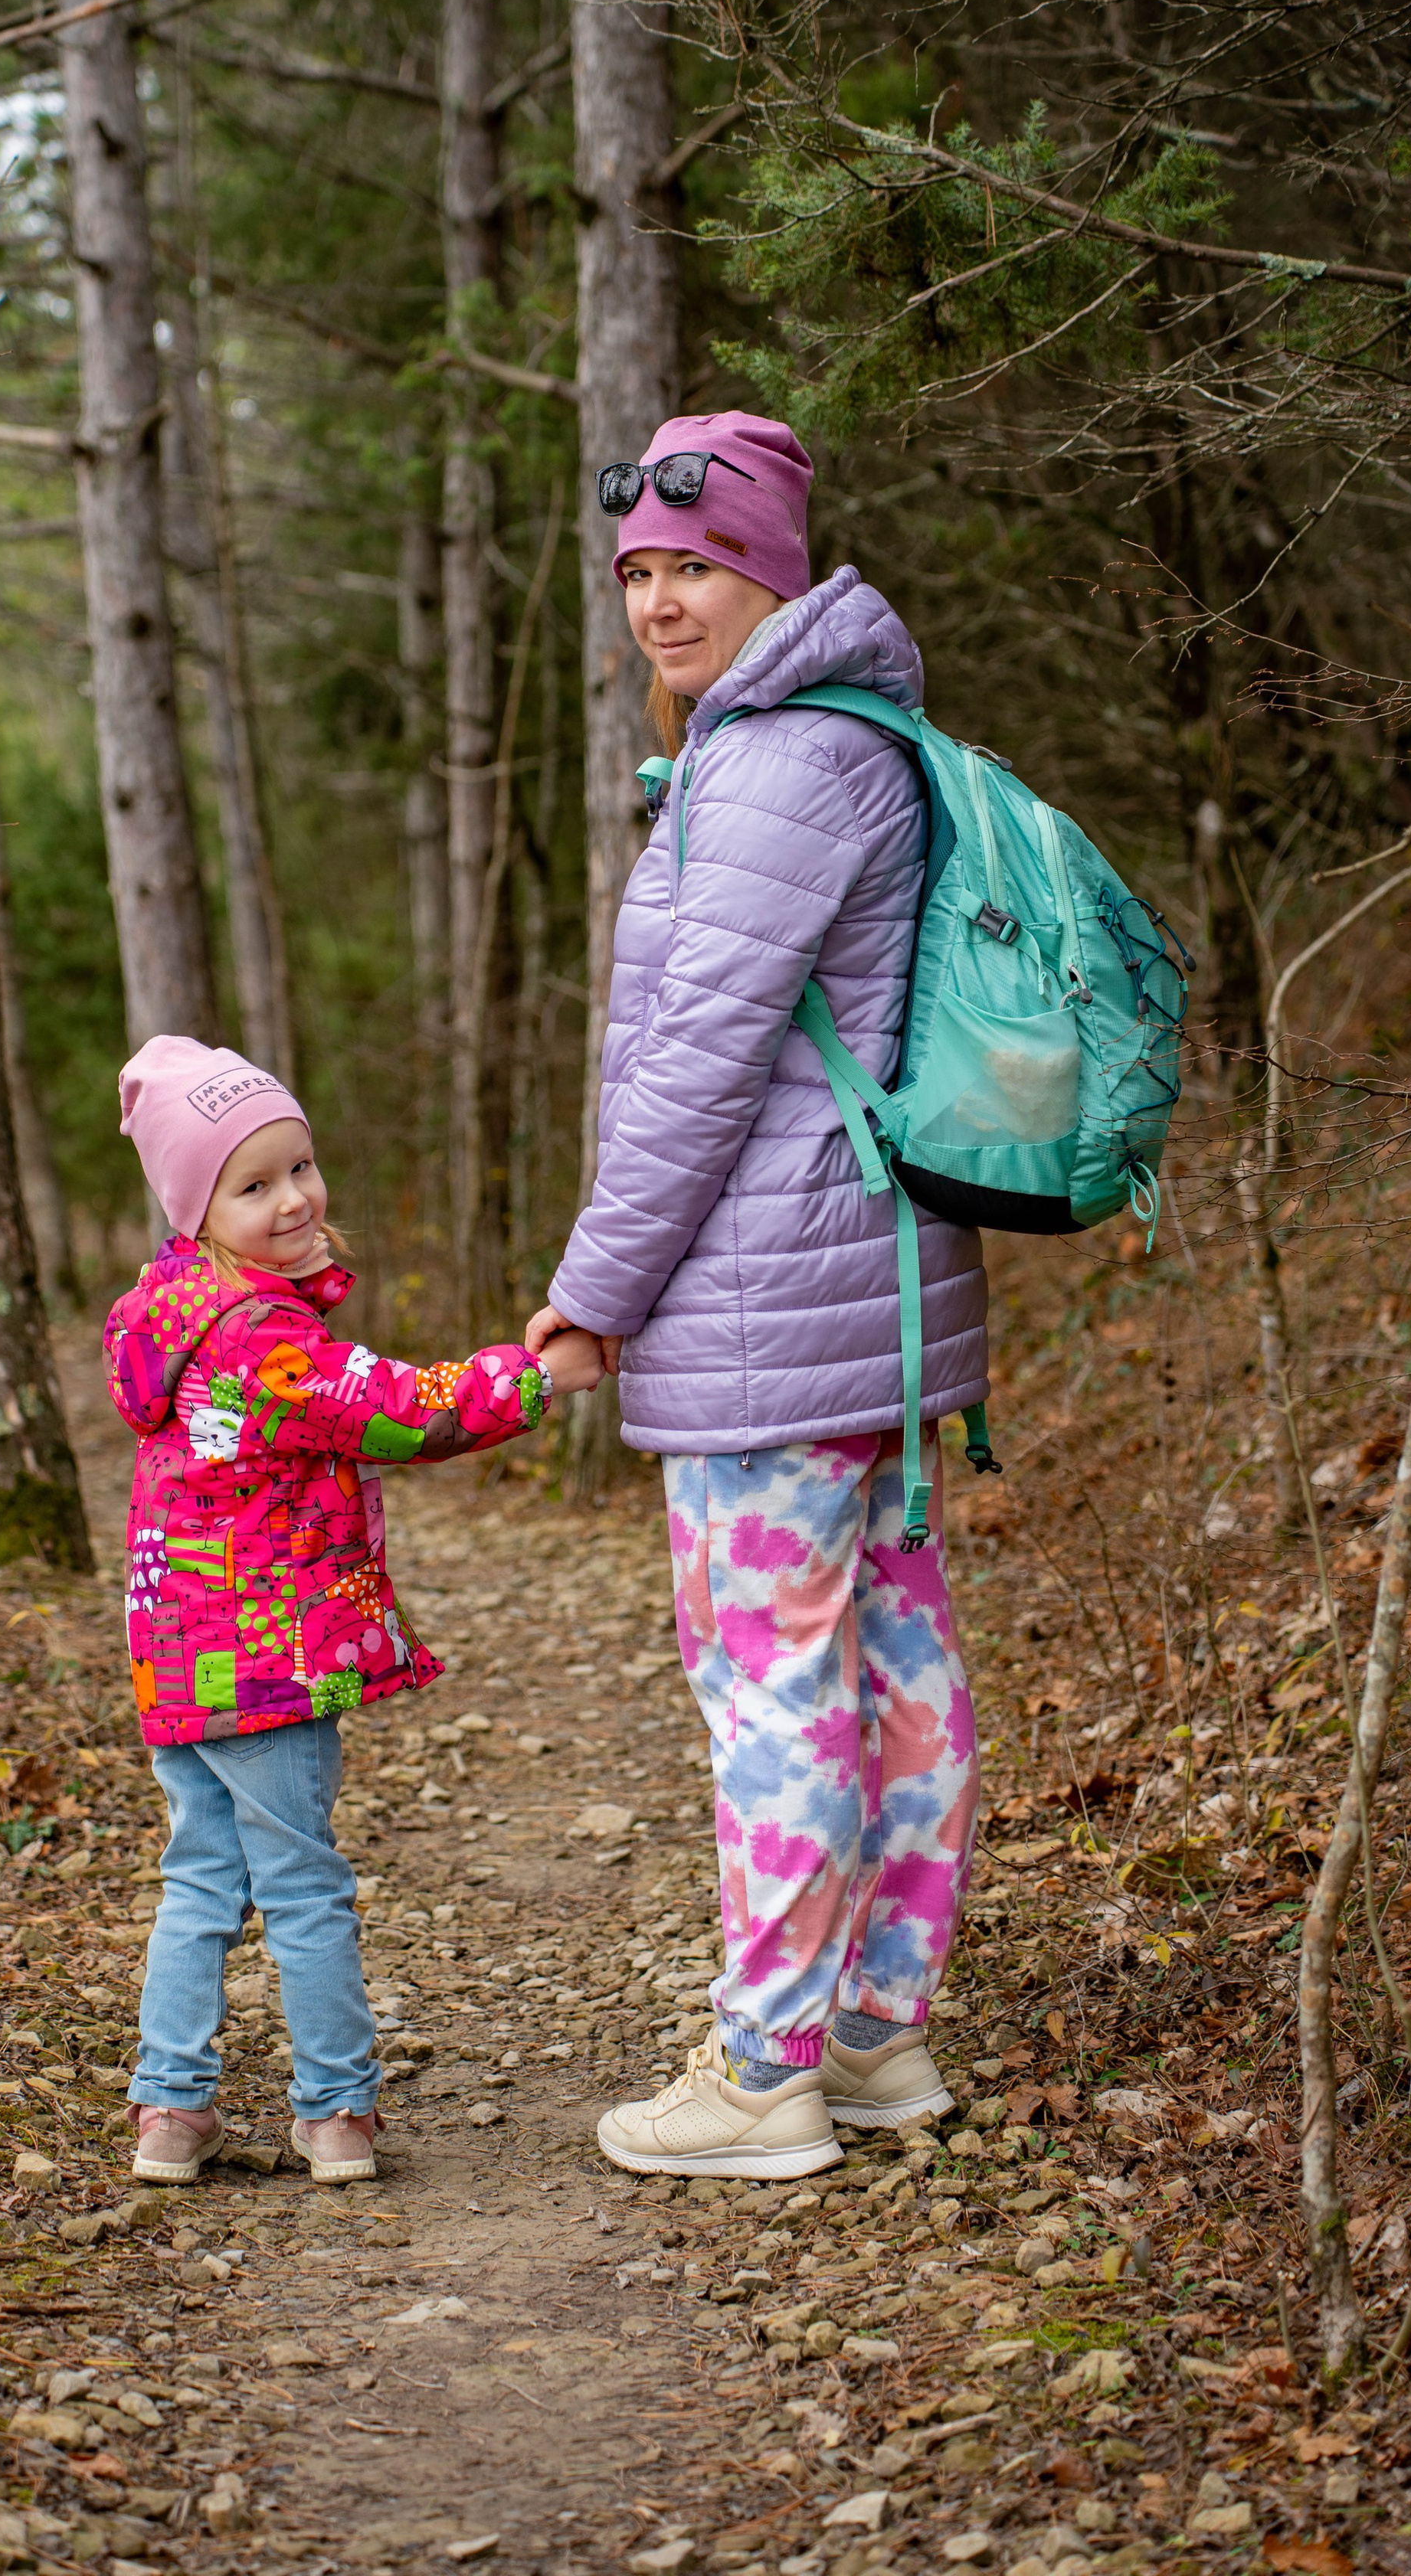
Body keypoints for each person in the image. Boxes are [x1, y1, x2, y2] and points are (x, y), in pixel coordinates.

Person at [525, 411, 988, 2181]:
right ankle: (873, 2040)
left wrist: (594, 1294)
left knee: (775, 1691)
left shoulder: (779, 758)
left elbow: (698, 1066)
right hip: (860, 1292)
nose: (655, 602)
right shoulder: (847, 733)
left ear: (770, 571)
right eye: (635, 572)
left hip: (757, 1302)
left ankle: (763, 2073)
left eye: (692, 568)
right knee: (888, 1666)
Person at [109, 1035, 603, 2186]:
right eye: (254, 1182)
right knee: (300, 1883)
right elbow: (391, 1411)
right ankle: (335, 2112)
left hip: (179, 1656)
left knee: (202, 1878)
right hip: (266, 1652)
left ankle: (171, 2111)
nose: (293, 1198)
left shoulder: (169, 1313)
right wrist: (538, 1376)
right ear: (197, 1205)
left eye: (300, 1167)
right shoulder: (257, 1338)